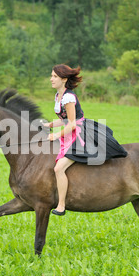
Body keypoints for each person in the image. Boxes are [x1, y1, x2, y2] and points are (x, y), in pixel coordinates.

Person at [44, 64, 128, 216]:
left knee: (59, 168)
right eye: (51, 76)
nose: (51, 79)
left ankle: (61, 205)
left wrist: (56, 135)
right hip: (70, 129)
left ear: (64, 79)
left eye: (54, 76)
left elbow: (71, 123)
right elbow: (63, 120)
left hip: (79, 133)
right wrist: (48, 125)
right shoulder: (58, 96)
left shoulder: (68, 97)